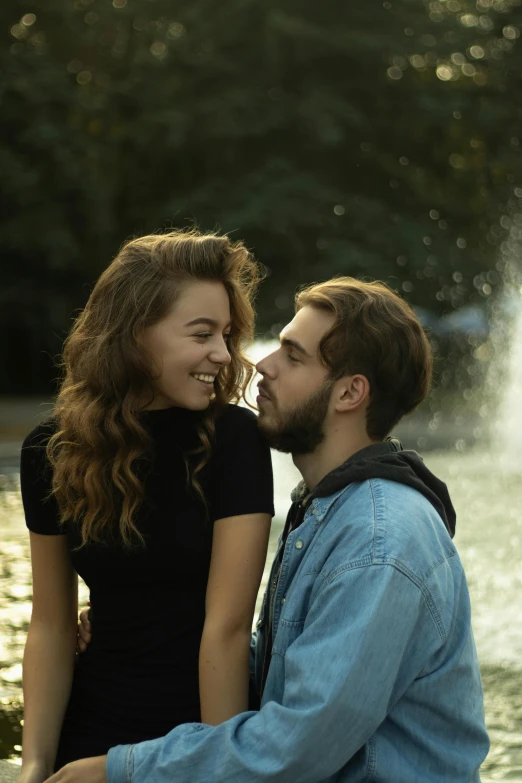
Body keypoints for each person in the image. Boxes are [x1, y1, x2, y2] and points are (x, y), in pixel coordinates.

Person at [44, 277, 490, 783]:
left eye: (293, 356)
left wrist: (120, 770)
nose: (262, 365)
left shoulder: (377, 541)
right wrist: (152, 623)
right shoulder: (331, 509)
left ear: (349, 392)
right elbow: (297, 672)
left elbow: (295, 748)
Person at [18, 230, 274, 783]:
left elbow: (226, 628)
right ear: (134, 335)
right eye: (202, 333)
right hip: (85, 731)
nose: (224, 355)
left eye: (227, 334)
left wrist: (214, 764)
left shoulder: (233, 440)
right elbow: (52, 625)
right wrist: (34, 765)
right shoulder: (51, 450)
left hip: (194, 733)